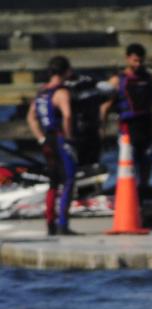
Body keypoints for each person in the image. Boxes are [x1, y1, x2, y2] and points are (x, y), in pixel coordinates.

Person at [26, 56, 76, 237]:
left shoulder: (41, 92)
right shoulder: (62, 92)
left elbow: (31, 117)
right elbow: (68, 115)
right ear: (65, 72)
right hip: (60, 139)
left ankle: (50, 223)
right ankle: (63, 223)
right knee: (69, 179)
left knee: (53, 182)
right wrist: (69, 139)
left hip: (46, 140)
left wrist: (40, 137)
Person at [100, 42, 152, 190]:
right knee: (128, 162)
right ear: (128, 59)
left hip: (146, 126)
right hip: (128, 127)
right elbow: (105, 107)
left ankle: (144, 191)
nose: (138, 64)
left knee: (147, 160)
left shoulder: (148, 78)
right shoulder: (119, 80)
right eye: (135, 61)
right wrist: (102, 129)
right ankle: (127, 192)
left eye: (141, 61)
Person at [62, 65, 108, 171]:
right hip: (88, 130)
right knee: (89, 164)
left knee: (83, 164)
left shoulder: (64, 87)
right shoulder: (91, 82)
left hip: (83, 131)